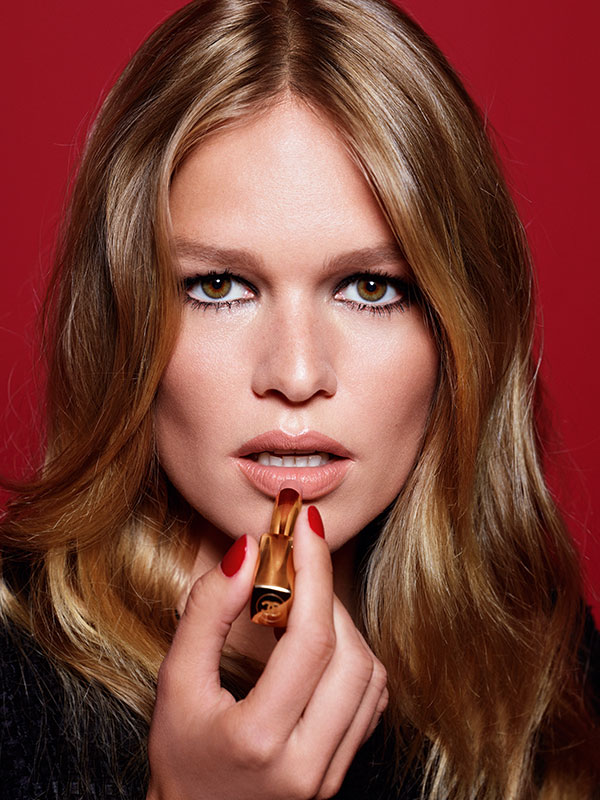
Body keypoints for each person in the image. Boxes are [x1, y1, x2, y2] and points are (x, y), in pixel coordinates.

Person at [1, 0, 598, 798]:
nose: (295, 371)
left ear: (460, 331)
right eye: (219, 286)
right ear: (124, 322)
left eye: (370, 287)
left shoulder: (540, 654)